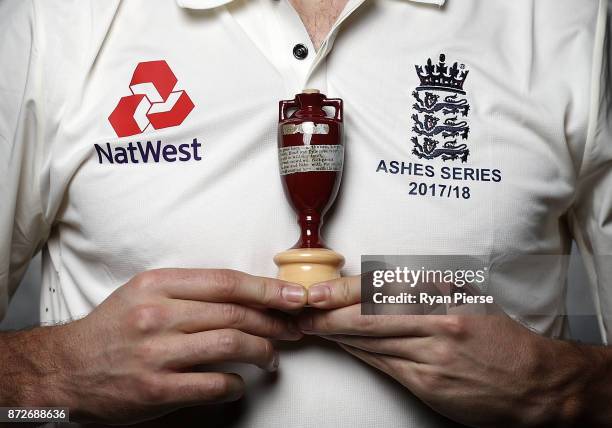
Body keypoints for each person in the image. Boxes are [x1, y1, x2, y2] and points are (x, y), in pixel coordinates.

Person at [1, 0, 611, 426]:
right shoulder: (56, 20)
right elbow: (19, 405)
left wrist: (561, 392)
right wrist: (48, 385)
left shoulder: (573, 25)